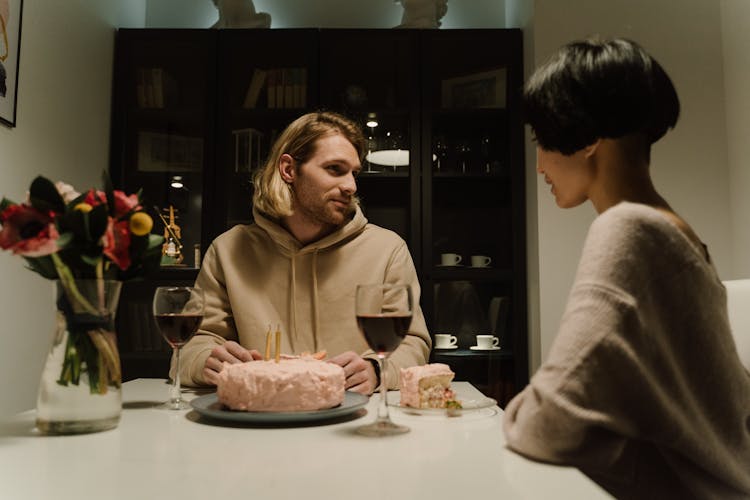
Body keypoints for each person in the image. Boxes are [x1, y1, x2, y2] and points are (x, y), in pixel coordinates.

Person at [502, 37, 750, 498]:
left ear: (589, 137)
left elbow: (545, 423)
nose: (538, 165)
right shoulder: (678, 233)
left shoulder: (627, 228)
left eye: (541, 140)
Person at [173, 111, 430, 394]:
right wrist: (204, 361)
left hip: (354, 422)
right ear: (289, 170)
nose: (351, 186)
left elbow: (412, 343)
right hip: (257, 420)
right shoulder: (228, 250)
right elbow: (190, 345)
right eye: (335, 169)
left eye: (354, 173)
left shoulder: (387, 249)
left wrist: (377, 371)